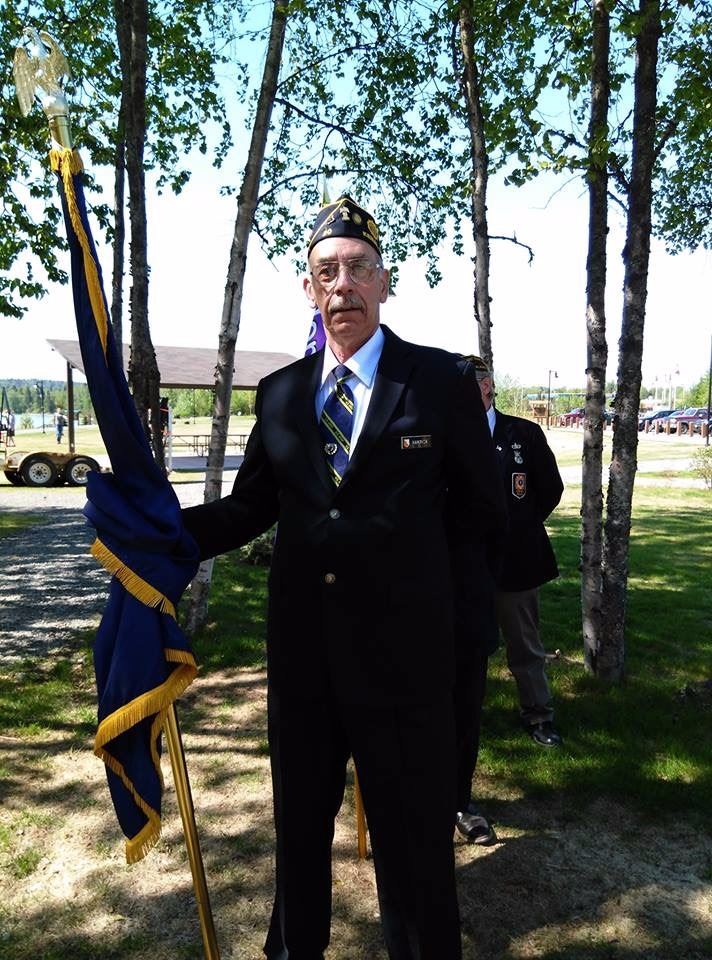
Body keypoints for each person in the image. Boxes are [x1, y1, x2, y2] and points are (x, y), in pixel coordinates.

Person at [182, 196, 506, 960]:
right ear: (308, 289)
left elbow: (481, 518)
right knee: (299, 837)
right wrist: (159, 530)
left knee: (414, 852)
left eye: (359, 269)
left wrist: (459, 642)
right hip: (305, 668)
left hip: (407, 671)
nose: (343, 286)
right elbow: (251, 507)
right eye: (326, 272)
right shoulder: (282, 394)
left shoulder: (439, 381)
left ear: (385, 282)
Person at [470, 356, 564, 747]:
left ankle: (539, 715)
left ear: (486, 386)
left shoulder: (523, 433)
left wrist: (520, 525)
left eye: (467, 385)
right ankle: (463, 717)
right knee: (465, 645)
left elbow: (550, 488)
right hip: (467, 563)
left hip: (516, 560)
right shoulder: (448, 432)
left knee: (525, 644)